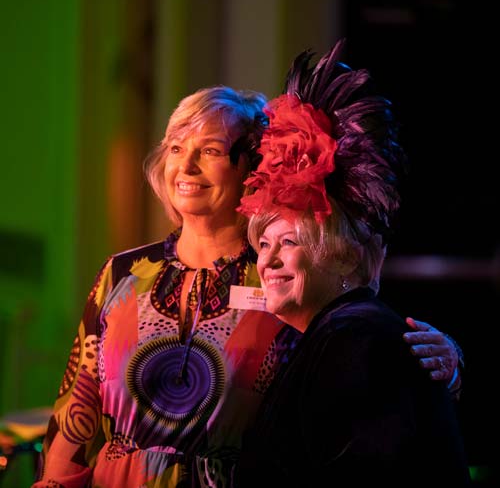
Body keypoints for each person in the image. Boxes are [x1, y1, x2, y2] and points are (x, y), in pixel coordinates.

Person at [32, 80, 462, 486]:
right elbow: (77, 411)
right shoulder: (123, 272)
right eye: (176, 148)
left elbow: (362, 350)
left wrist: (446, 359)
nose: (186, 166)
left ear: (253, 168)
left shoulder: (283, 275)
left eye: (210, 150)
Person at [234, 41, 471, 487]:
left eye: (290, 241)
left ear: (343, 256)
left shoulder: (354, 338)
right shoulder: (338, 332)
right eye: (263, 244)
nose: (268, 260)